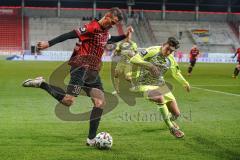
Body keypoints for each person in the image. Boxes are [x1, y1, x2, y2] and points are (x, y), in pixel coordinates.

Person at [22, 7, 134, 146]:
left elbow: (111, 39)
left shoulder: (105, 33)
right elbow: (70, 34)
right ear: (107, 16)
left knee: (100, 102)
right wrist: (48, 43)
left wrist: (125, 35)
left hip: (93, 72)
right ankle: (42, 84)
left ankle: (91, 139)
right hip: (80, 67)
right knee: (68, 101)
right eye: (112, 22)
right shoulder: (92, 27)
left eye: (115, 24)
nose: (112, 25)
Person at [130, 37, 190, 138]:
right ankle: (171, 128)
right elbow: (134, 59)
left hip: (161, 85)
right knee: (159, 97)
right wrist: (149, 65)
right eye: (168, 49)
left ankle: (168, 119)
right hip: (144, 84)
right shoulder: (152, 51)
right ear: (163, 44)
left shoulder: (170, 59)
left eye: (172, 51)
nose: (169, 52)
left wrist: (185, 83)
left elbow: (176, 73)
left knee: (176, 114)